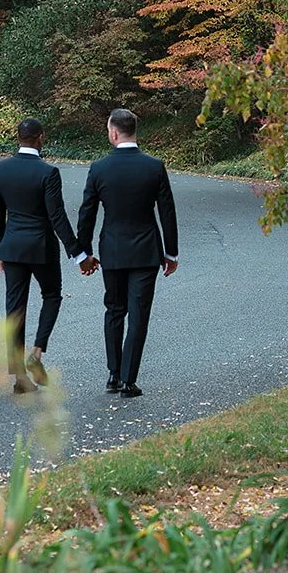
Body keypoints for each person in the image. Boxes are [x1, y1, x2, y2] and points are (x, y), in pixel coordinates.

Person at [75, 108, 178, 398]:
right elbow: (167, 211)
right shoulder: (154, 167)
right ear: (134, 131)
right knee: (139, 314)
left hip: (113, 249)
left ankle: (113, 374)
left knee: (114, 309)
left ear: (113, 133)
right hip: (146, 251)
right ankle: (128, 381)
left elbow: (87, 214)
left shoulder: (99, 168)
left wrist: (84, 253)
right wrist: (171, 252)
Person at [0, 118, 95, 394]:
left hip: (12, 248)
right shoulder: (48, 173)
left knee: (14, 310)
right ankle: (36, 352)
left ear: (18, 137)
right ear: (40, 138)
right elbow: (57, 217)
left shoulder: (0, 169)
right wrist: (79, 254)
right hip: (41, 248)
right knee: (51, 295)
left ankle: (19, 378)